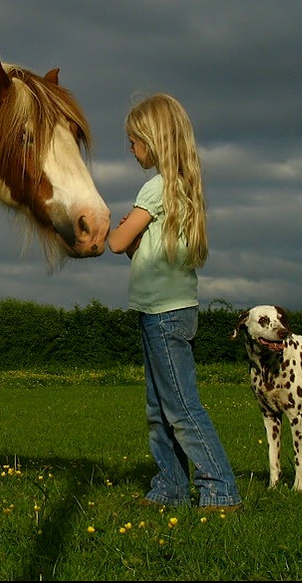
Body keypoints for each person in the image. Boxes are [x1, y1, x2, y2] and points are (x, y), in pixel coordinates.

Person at [108, 93, 242, 513]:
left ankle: (220, 488)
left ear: (152, 139)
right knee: (161, 408)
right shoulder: (183, 186)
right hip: (172, 310)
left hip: (162, 315)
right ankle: (168, 487)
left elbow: (116, 242)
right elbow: (142, 247)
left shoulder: (156, 187)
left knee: (180, 408)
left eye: (133, 141)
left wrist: (121, 230)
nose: (130, 150)